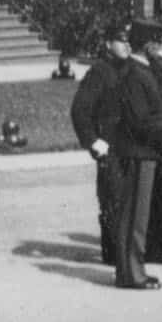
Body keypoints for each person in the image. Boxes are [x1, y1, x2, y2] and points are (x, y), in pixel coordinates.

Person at [112, 19, 162, 289]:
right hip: (138, 151)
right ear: (146, 45)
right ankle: (130, 273)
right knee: (134, 215)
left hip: (147, 150)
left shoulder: (146, 70)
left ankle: (134, 268)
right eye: (156, 42)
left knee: (140, 216)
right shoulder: (134, 73)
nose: (160, 46)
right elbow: (139, 120)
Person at [69, 22, 132, 265]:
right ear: (108, 44)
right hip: (110, 146)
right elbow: (80, 110)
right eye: (121, 40)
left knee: (130, 200)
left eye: (129, 40)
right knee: (112, 199)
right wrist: (93, 141)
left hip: (131, 144)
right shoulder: (99, 72)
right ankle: (114, 253)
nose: (126, 45)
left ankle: (129, 251)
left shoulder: (132, 69)